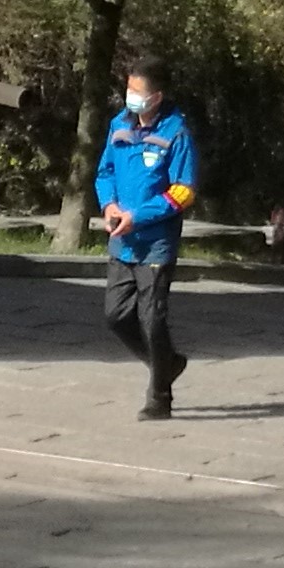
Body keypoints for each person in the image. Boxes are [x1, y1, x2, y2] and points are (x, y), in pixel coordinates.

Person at [89, 58, 199, 418]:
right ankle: (167, 363)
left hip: (156, 244)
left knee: (152, 320)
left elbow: (183, 191)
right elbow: (105, 172)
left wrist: (139, 217)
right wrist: (109, 204)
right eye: (128, 89)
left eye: (138, 92)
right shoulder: (118, 126)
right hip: (122, 241)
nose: (130, 97)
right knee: (116, 316)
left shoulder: (176, 133)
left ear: (157, 97)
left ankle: (159, 397)